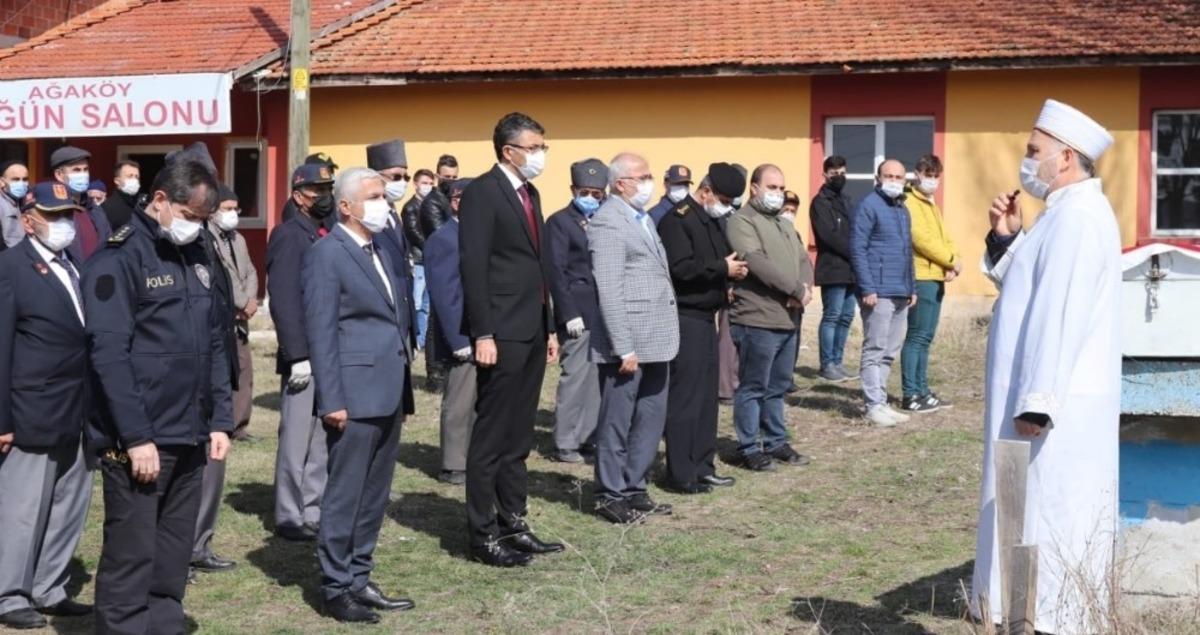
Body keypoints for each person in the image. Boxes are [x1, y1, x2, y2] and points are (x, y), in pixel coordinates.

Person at [971, 99, 1121, 635]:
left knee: (1049, 518)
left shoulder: (1078, 220)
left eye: (1034, 152)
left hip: (1052, 410)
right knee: (1028, 515)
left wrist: (1037, 402)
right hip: (1042, 401)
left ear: (1066, 158)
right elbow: (1028, 289)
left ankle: (1048, 619)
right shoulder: (1061, 216)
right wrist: (1008, 236)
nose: (1026, 161)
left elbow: (1059, 315)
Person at [84, 158, 233, 634]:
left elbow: (212, 341)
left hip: (189, 430)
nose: (197, 227)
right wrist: (135, 437)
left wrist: (219, 418)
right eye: (191, 216)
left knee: (171, 554)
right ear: (161, 200)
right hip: (142, 438)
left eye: (204, 219)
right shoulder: (119, 258)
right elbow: (109, 356)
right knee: (132, 554)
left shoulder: (196, 254)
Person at [304, 167, 415, 624]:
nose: (383, 203)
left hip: (388, 388)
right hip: (352, 392)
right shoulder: (327, 254)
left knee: (374, 494)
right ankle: (335, 587)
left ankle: (359, 575)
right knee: (346, 495)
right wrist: (331, 398)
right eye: (372, 197)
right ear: (346, 206)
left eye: (383, 197)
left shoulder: (380, 248)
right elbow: (322, 329)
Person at [459, 112, 562, 567]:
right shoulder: (484, 192)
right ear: (509, 150)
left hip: (533, 328)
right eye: (534, 147)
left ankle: (513, 521)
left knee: (518, 435)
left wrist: (551, 324)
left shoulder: (529, 192)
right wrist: (482, 331)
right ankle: (482, 534)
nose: (541, 155)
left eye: (543, 146)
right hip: (500, 331)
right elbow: (473, 265)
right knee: (491, 436)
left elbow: (537, 264)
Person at [0, 182, 95, 630]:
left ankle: (49, 586)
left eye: (70, 216)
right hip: (31, 409)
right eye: (54, 216)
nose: (64, 224)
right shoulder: (11, 268)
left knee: (68, 504)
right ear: (28, 220)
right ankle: (9, 593)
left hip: (76, 407)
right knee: (22, 509)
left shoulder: (73, 265)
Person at [588, 152, 680, 523]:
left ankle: (635, 486)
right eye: (643, 176)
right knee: (617, 419)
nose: (649, 182)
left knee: (650, 417)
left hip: (656, 337)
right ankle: (610, 493)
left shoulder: (641, 219)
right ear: (621, 182)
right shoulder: (608, 221)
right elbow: (608, 287)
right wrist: (622, 344)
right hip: (627, 343)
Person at [656, 162, 746, 494]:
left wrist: (728, 276)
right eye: (722, 197)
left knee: (707, 399)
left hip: (708, 317)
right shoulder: (678, 220)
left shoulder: (711, 220)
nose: (725, 205)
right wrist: (721, 268)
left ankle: (703, 465)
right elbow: (681, 269)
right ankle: (680, 473)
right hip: (685, 317)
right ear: (705, 191)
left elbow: (721, 259)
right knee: (685, 398)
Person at [727, 164, 813, 472]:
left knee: (777, 385)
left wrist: (804, 287)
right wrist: (793, 288)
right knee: (754, 385)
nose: (777, 194)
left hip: (788, 315)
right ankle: (749, 446)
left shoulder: (784, 223)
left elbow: (803, 259)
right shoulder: (742, 221)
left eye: (781, 188)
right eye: (772, 187)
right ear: (754, 188)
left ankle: (775, 440)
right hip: (757, 317)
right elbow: (756, 262)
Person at [267, 163, 336, 542]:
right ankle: (290, 514)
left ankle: (313, 507)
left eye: (328, 187)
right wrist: (296, 354)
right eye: (317, 190)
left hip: (325, 351)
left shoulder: (322, 232)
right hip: (303, 354)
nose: (324, 195)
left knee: (322, 436)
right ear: (299, 196)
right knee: (296, 439)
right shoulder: (289, 235)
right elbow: (284, 299)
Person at [543, 158, 607, 464]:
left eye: (598, 193)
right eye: (586, 192)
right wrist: (568, 313)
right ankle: (565, 442)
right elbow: (556, 271)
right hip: (577, 313)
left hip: (603, 312)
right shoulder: (559, 222)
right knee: (575, 376)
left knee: (596, 378)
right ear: (573, 189)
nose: (592, 198)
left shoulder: (606, 219)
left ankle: (588, 438)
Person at [849, 159, 916, 428]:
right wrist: (867, 287)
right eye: (888, 175)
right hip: (878, 291)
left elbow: (907, 250)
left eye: (898, 176)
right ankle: (872, 404)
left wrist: (912, 287)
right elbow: (858, 248)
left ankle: (882, 400)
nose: (893, 180)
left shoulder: (903, 209)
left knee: (890, 350)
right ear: (878, 178)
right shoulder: (868, 206)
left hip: (901, 290)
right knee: (874, 348)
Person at [900, 154, 960, 413]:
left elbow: (944, 236)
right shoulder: (910, 202)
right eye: (928, 174)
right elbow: (921, 239)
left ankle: (923, 390)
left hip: (935, 275)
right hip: (921, 276)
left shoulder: (931, 204)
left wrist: (952, 260)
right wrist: (948, 259)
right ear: (917, 174)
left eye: (936, 176)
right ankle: (911, 393)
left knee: (926, 337)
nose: (933, 180)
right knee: (917, 336)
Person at [424, 178, 474, 485]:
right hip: (461, 335)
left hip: (482, 333)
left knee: (478, 401)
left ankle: (472, 457)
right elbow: (444, 294)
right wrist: (458, 339)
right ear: (455, 202)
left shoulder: (475, 235)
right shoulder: (444, 238)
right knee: (460, 401)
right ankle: (454, 464)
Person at [206, 186, 258, 441]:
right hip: (224, 314)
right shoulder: (207, 237)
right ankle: (222, 423)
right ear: (213, 211)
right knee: (222, 370)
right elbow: (223, 276)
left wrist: (250, 300)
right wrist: (239, 302)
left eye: (235, 209)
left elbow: (249, 271)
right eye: (227, 209)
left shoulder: (238, 238)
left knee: (245, 369)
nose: (232, 214)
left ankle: (240, 424)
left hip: (241, 316)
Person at [810, 156, 859, 383]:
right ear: (825, 174)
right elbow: (828, 235)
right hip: (832, 268)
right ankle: (827, 364)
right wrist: (854, 252)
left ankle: (838, 362)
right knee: (832, 315)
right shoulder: (820, 203)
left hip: (851, 270)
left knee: (847, 315)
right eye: (834, 173)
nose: (838, 176)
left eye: (842, 172)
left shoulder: (847, 200)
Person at [48, 146, 111, 263]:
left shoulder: (94, 208)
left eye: (85, 169)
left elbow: (107, 240)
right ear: (59, 175)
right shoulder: (51, 210)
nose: (83, 174)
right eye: (76, 170)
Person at [401, 169, 431, 352]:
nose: (427, 186)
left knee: (427, 303)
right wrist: (432, 247)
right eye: (424, 183)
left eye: (430, 183)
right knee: (417, 301)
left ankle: (423, 338)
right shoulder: (411, 207)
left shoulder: (431, 205)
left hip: (429, 261)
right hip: (419, 260)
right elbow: (413, 232)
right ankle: (414, 339)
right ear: (416, 184)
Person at [102, 160, 141, 230]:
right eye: (130, 176)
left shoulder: (141, 206)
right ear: (117, 181)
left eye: (136, 177)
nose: (134, 180)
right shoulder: (106, 208)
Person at [0, 160, 29, 248]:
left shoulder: (28, 201)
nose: (21, 183)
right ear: (1, 182)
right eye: (15, 179)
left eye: (25, 179)